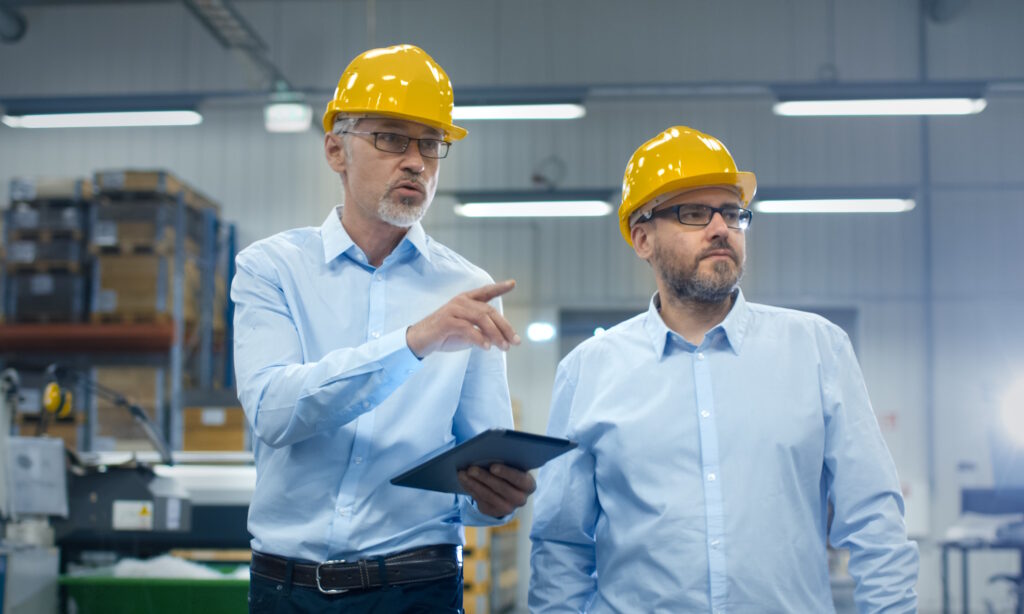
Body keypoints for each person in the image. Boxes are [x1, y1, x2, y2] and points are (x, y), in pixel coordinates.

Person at [528, 126, 919, 612]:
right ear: (642, 238)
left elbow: (873, 521)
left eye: (732, 213)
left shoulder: (818, 350)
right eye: (694, 213)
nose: (721, 229)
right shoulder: (589, 371)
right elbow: (561, 545)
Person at [232, 44, 536, 613]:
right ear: (335, 150)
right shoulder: (271, 269)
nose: (416, 161)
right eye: (392, 138)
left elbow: (479, 468)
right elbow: (274, 412)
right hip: (287, 591)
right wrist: (414, 341)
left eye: (430, 144)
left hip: (417, 588)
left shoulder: (468, 286)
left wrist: (497, 499)